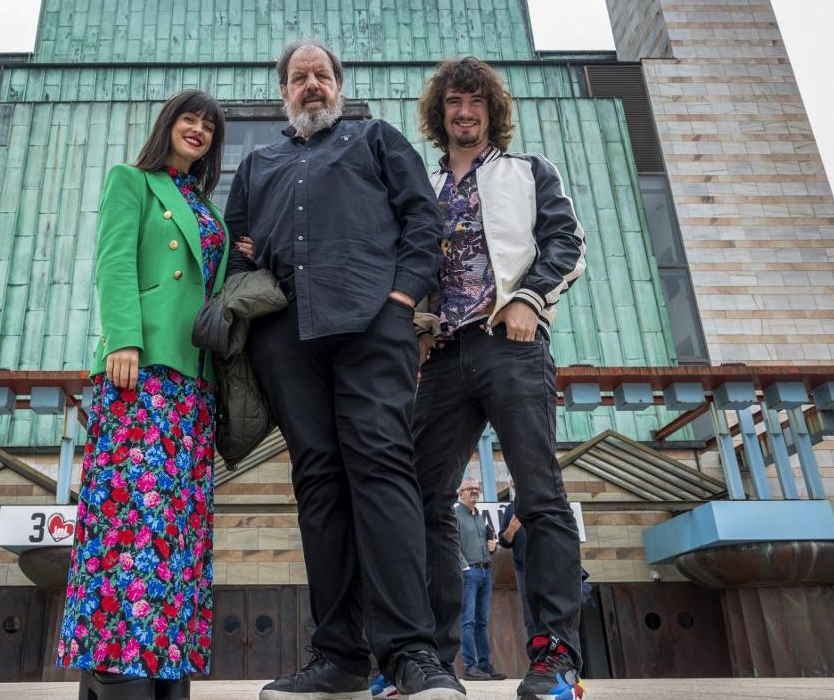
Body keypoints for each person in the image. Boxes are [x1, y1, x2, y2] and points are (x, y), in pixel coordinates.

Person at [225, 38, 465, 700]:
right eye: (299, 77)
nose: (312, 85)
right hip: (286, 339)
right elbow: (236, 251)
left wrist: (400, 300)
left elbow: (425, 221)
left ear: (339, 86)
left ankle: (413, 654)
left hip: (370, 325)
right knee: (320, 485)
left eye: (322, 76)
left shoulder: (376, 140)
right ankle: (339, 657)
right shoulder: (258, 164)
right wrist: (252, 295)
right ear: (283, 93)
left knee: (382, 470)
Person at [410, 56, 587, 700]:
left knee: (540, 495)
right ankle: (429, 661)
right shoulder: (423, 187)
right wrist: (422, 326)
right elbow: (413, 269)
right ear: (440, 113)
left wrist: (529, 298)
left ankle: (555, 658)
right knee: (423, 499)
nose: (464, 112)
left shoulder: (528, 171)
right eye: (454, 102)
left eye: (475, 103)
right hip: (446, 356)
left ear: (491, 111)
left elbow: (567, 243)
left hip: (511, 343)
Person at [56, 89, 228, 700]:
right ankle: (115, 664)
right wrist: (123, 339)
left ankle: (165, 664)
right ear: (168, 124)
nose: (200, 130)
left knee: (176, 529)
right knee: (129, 520)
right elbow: (114, 263)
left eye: (209, 125)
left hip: (193, 384)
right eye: (190, 118)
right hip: (143, 369)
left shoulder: (204, 205)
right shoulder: (133, 180)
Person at [454, 479, 505, 681]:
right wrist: (464, 566)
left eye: (477, 489)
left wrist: (494, 548)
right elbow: (451, 543)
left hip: (485, 572)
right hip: (469, 573)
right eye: (470, 489)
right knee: (468, 621)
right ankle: (470, 667)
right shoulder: (456, 515)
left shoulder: (480, 517)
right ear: (460, 494)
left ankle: (484, 666)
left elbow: (489, 544)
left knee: (482, 622)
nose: (474, 492)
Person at [498, 498, 536, 640]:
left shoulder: (541, 502)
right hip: (523, 569)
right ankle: (537, 655)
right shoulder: (511, 508)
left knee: (550, 612)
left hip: (545, 567)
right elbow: (504, 542)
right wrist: (511, 529)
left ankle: (556, 654)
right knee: (530, 616)